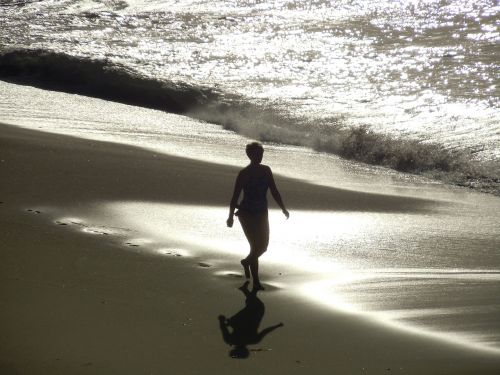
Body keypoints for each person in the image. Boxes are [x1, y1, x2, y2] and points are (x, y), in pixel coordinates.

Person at [227, 142, 289, 291]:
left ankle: (246, 261)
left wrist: (283, 208)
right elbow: (235, 197)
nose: (260, 156)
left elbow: (274, 191)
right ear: (250, 155)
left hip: (262, 213)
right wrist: (230, 217)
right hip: (246, 214)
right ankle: (256, 282)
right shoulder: (244, 173)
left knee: (264, 246)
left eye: (261, 154)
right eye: (257, 154)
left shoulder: (266, 170)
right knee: (255, 246)